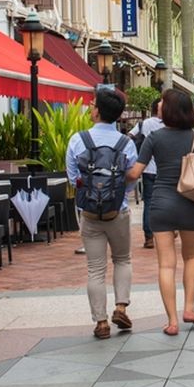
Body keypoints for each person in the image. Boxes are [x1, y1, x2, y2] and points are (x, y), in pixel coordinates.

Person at [126, 89, 194, 335]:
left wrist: (114, 176)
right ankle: (189, 308)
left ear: (169, 109)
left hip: (161, 204)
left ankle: (172, 322)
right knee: (192, 258)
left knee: (166, 265)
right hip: (188, 204)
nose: (159, 106)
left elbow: (135, 173)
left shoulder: (154, 137)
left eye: (163, 103)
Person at [66, 87, 136, 340]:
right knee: (122, 259)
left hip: (89, 214)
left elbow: (74, 178)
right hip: (118, 211)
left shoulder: (78, 140)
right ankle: (121, 306)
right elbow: (130, 179)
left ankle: (101, 322)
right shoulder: (125, 143)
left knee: (95, 268)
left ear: (96, 111)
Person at [129, 99, 164, 249]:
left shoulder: (144, 124)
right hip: (165, 170)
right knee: (167, 201)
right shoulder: (169, 124)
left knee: (149, 202)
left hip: (147, 168)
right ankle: (168, 230)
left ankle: (149, 237)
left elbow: (130, 136)